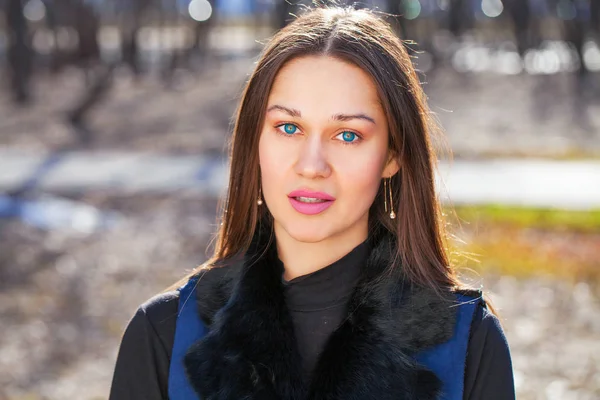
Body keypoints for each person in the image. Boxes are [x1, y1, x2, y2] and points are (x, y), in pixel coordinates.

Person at [109, 5, 515, 400]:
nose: (312, 165)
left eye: (348, 135)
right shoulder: (162, 334)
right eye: (288, 127)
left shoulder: (470, 343)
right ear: (255, 142)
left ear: (393, 155)